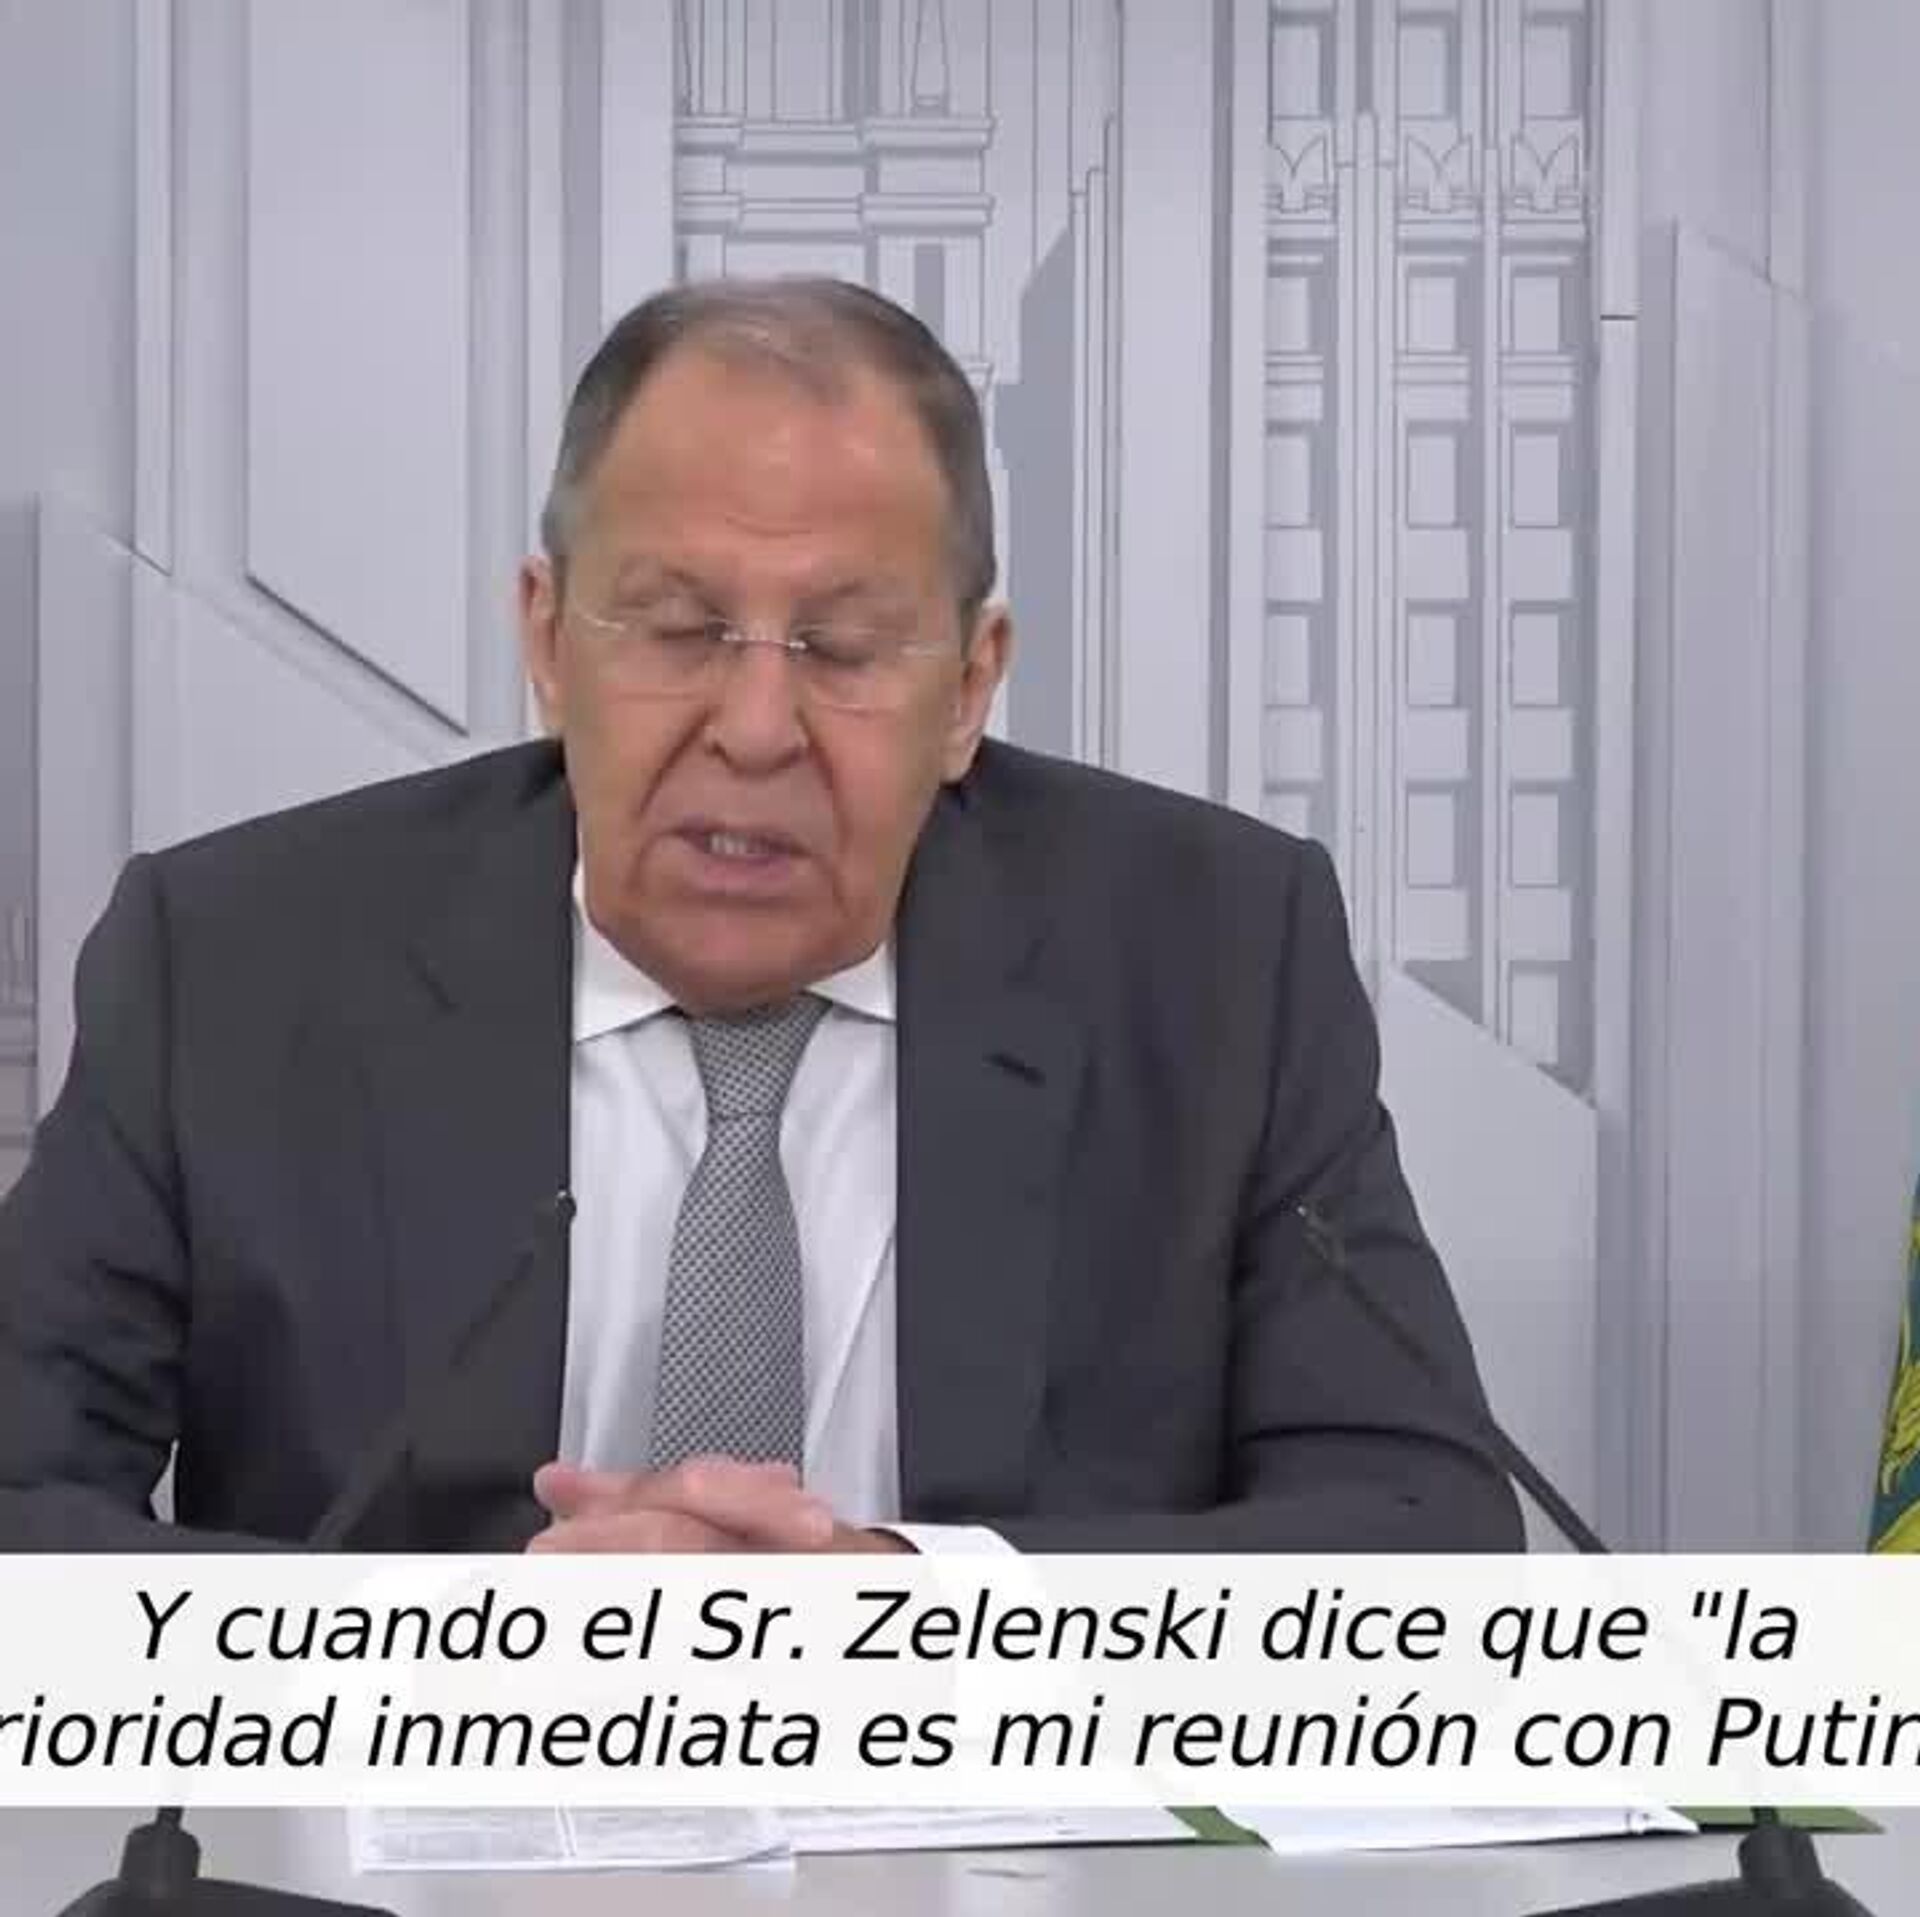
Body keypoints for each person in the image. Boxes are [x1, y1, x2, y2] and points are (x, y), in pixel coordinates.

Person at [0, 278, 1520, 1555]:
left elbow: (1424, 1529)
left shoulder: (1214, 962)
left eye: (844, 649)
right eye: (678, 629)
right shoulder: (236, 966)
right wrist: (471, 1668)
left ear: (971, 685)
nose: (754, 727)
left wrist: (895, 1616)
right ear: (549, 638)